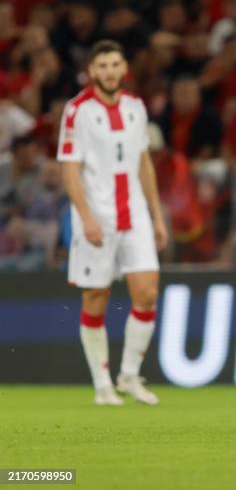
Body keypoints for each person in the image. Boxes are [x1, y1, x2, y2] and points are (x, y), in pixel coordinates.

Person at [57, 40, 168, 406]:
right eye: (101, 65)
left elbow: (143, 163)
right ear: (92, 71)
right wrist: (86, 218)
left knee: (148, 292)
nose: (109, 71)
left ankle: (129, 376)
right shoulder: (77, 111)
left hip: (134, 213)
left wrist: (156, 215)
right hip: (97, 216)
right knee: (96, 297)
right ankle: (102, 383)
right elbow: (69, 169)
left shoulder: (136, 107)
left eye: (115, 64)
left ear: (124, 69)